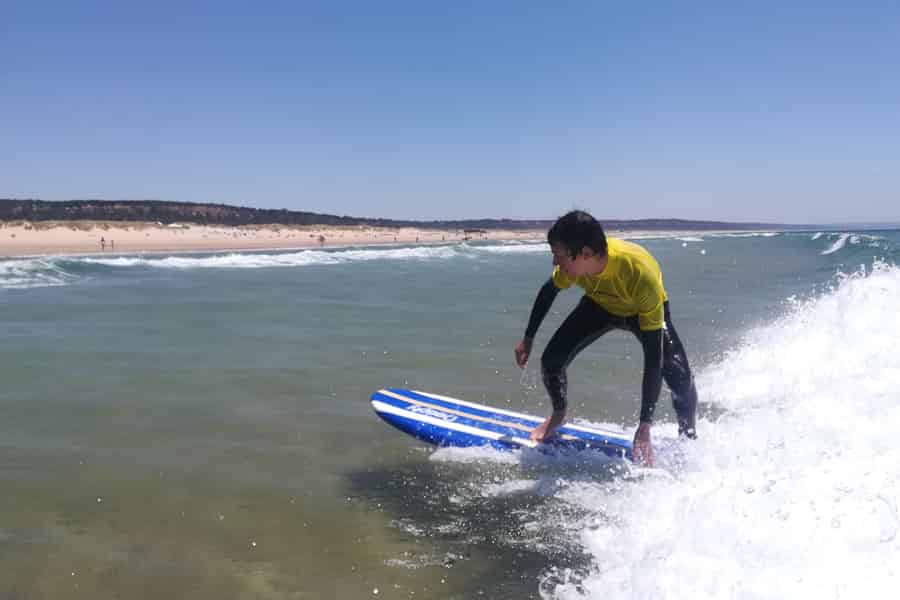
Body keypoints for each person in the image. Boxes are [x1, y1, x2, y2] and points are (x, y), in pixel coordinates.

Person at [514, 210, 698, 466]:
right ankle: (559, 414)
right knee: (552, 361)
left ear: (586, 254)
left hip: (640, 311)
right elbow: (549, 291)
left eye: (559, 255)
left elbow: (653, 360)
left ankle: (688, 438)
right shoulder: (573, 266)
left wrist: (644, 425)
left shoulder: (639, 275)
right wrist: (528, 338)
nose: (556, 263)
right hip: (599, 306)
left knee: (679, 375)